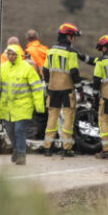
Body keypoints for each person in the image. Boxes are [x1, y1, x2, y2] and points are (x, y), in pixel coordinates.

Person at [41, 23, 82, 157]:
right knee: (68, 118)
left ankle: (47, 148)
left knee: (52, 118)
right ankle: (66, 148)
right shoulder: (71, 52)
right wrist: (79, 86)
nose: (74, 40)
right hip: (67, 90)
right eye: (74, 37)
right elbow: (74, 71)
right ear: (68, 37)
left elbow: (45, 70)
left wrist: (48, 83)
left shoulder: (51, 50)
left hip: (53, 89)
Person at [0, 45, 44, 165]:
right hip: (7, 106)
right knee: (9, 130)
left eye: (13, 54)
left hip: (23, 105)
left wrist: (39, 105)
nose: (11, 57)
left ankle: (21, 154)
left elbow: (36, 87)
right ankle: (16, 148)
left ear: (18, 55)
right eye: (9, 54)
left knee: (19, 129)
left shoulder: (26, 68)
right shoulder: (2, 68)